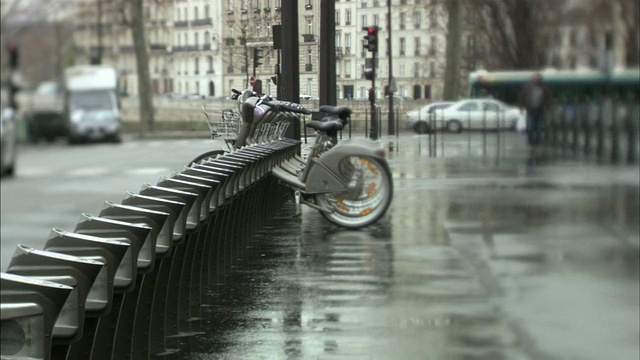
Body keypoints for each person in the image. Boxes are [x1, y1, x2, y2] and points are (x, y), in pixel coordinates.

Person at [519, 73, 549, 148]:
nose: (537, 80)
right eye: (535, 78)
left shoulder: (544, 87)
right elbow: (522, 96)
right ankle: (530, 142)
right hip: (530, 109)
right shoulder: (528, 87)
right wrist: (521, 107)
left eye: (538, 78)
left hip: (540, 110)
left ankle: (538, 142)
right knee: (530, 127)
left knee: (538, 127)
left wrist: (548, 108)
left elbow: (547, 99)